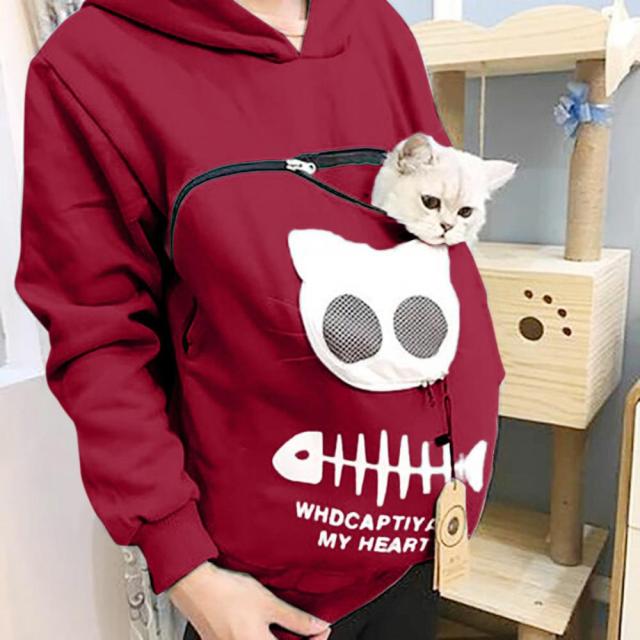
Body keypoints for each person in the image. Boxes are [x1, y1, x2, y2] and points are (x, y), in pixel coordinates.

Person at [15, 0, 506, 638]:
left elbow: (423, 236)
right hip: (267, 596)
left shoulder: (379, 26)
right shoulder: (89, 66)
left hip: (419, 546)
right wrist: (185, 567)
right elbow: (98, 336)